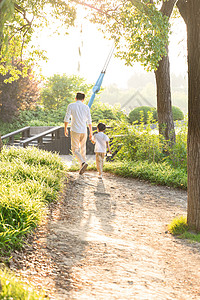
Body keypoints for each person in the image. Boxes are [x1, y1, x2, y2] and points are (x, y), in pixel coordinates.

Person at [64, 92, 93, 175]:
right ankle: (82, 168)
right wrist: (91, 133)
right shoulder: (86, 107)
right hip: (84, 130)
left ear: (75, 98)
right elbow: (89, 121)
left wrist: (65, 129)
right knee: (82, 150)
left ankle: (83, 163)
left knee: (75, 150)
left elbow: (66, 118)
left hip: (75, 130)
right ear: (83, 99)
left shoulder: (71, 106)